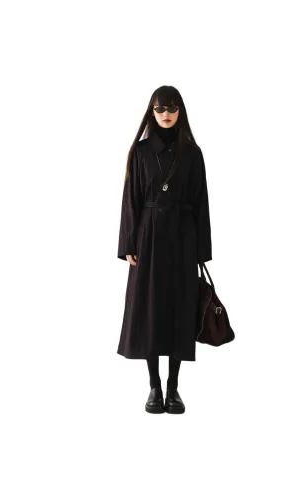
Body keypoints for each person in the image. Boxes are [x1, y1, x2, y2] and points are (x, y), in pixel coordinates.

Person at [117, 85, 212, 414]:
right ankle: (154, 387)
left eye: (172, 108)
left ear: (180, 111)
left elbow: (201, 203)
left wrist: (201, 250)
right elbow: (131, 199)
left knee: (179, 310)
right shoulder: (141, 152)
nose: (166, 114)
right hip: (148, 238)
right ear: (152, 111)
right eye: (160, 108)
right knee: (150, 310)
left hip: (183, 239)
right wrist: (128, 243)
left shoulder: (193, 153)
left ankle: (174, 388)